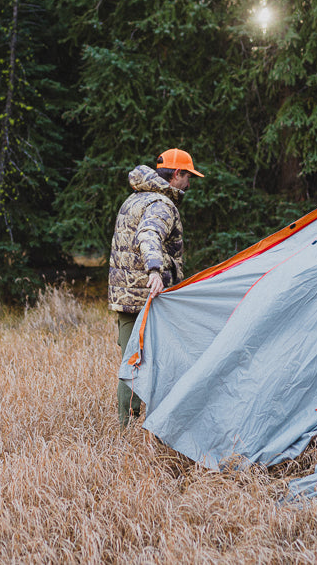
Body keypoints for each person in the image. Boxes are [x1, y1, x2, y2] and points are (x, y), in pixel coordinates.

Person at [108, 148, 204, 427]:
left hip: (126, 295)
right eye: (188, 176)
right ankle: (135, 424)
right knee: (147, 362)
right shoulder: (162, 204)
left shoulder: (135, 198)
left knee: (130, 359)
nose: (190, 183)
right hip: (148, 295)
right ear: (176, 174)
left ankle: (129, 423)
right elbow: (148, 234)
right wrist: (155, 271)